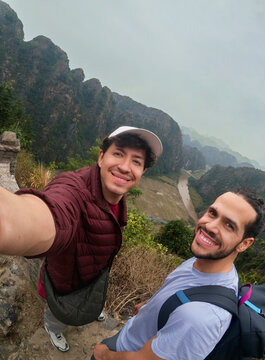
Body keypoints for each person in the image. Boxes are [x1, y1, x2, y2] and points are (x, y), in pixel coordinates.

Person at [0, 126, 162, 352]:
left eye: (136, 161)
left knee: (88, 302)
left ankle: (90, 309)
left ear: (142, 172)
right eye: (118, 154)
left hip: (91, 275)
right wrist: (11, 221)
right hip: (63, 282)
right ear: (101, 157)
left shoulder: (115, 195)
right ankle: (51, 329)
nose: (125, 167)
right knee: (56, 313)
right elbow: (54, 212)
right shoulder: (74, 189)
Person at [92, 188, 265, 360]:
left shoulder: (200, 318)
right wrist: (149, 305)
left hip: (123, 351)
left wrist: (103, 355)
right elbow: (180, 291)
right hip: (131, 335)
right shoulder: (206, 263)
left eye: (229, 225)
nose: (210, 226)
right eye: (213, 213)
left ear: (244, 244)